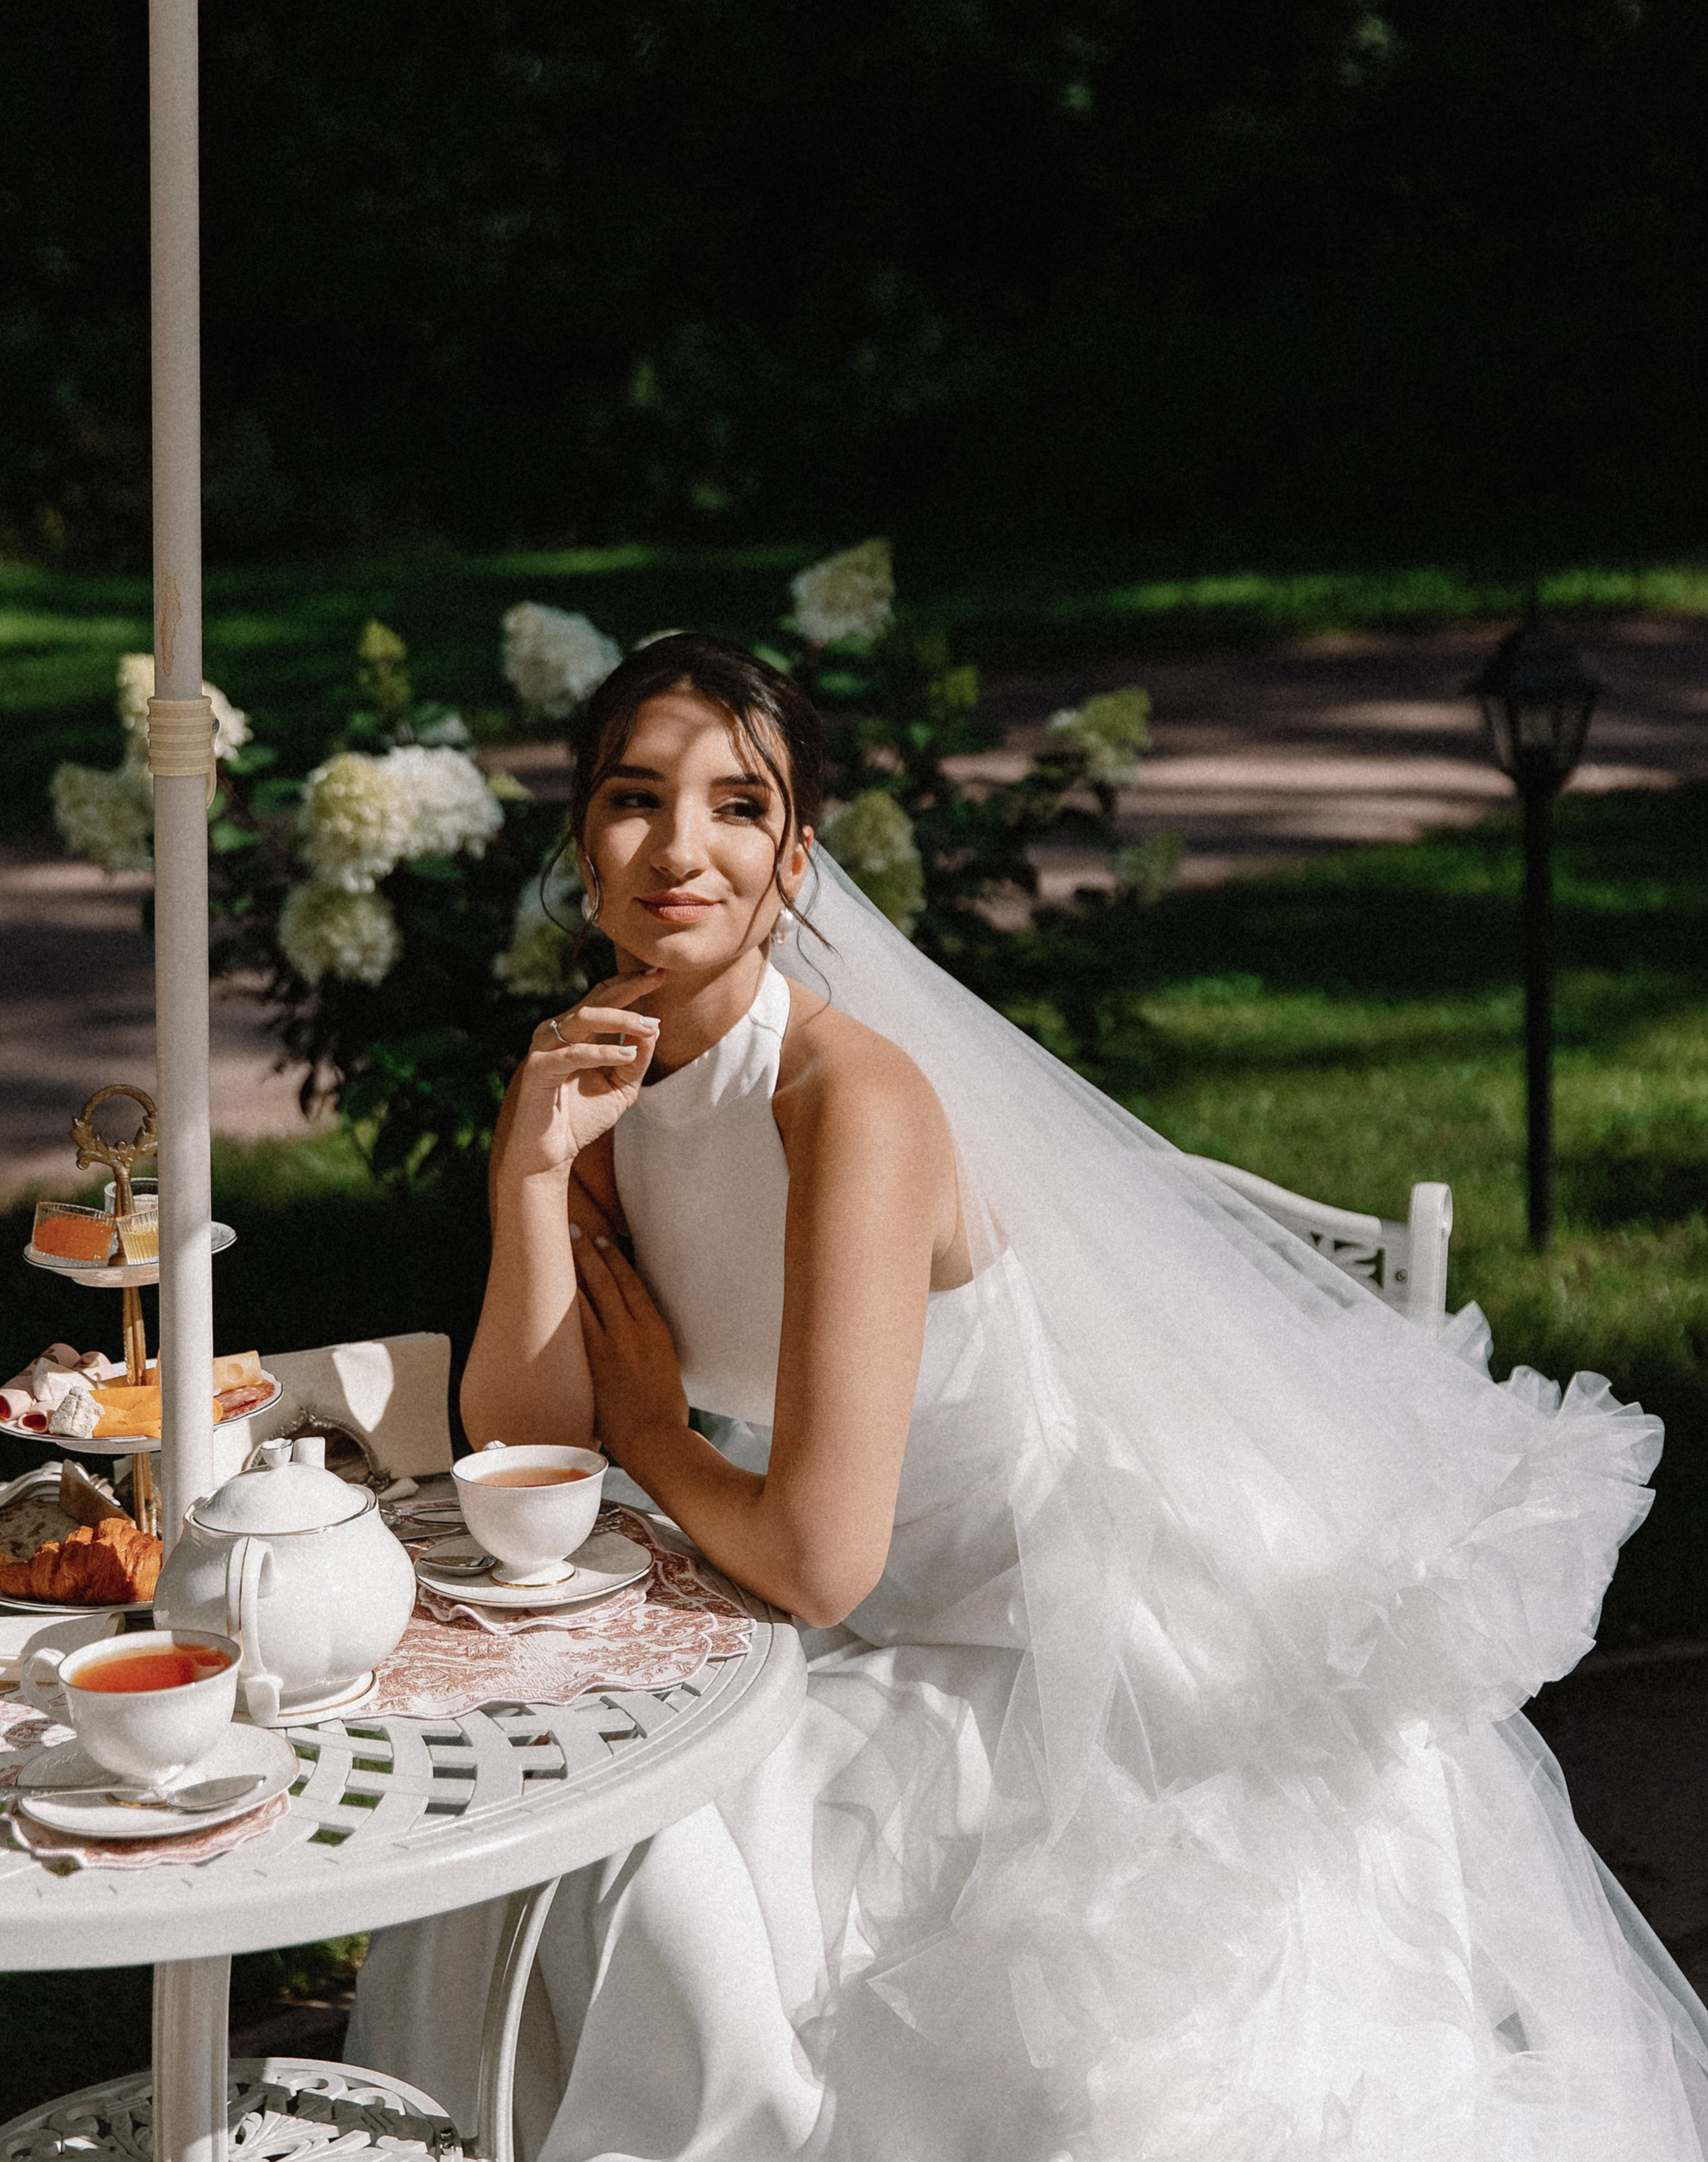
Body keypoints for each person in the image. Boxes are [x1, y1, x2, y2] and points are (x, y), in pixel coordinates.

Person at [350, 634, 1708, 2161]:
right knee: (522, 1842)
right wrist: (528, 1176)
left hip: (1044, 1650)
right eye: (632, 799)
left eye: (737, 806)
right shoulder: (600, 1072)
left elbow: (814, 1558)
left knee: (640, 1860)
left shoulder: (845, 1102)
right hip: (822, 1619)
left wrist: (658, 1434)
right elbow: (527, 1451)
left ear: (794, 861)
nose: (681, 849)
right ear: (579, 852)